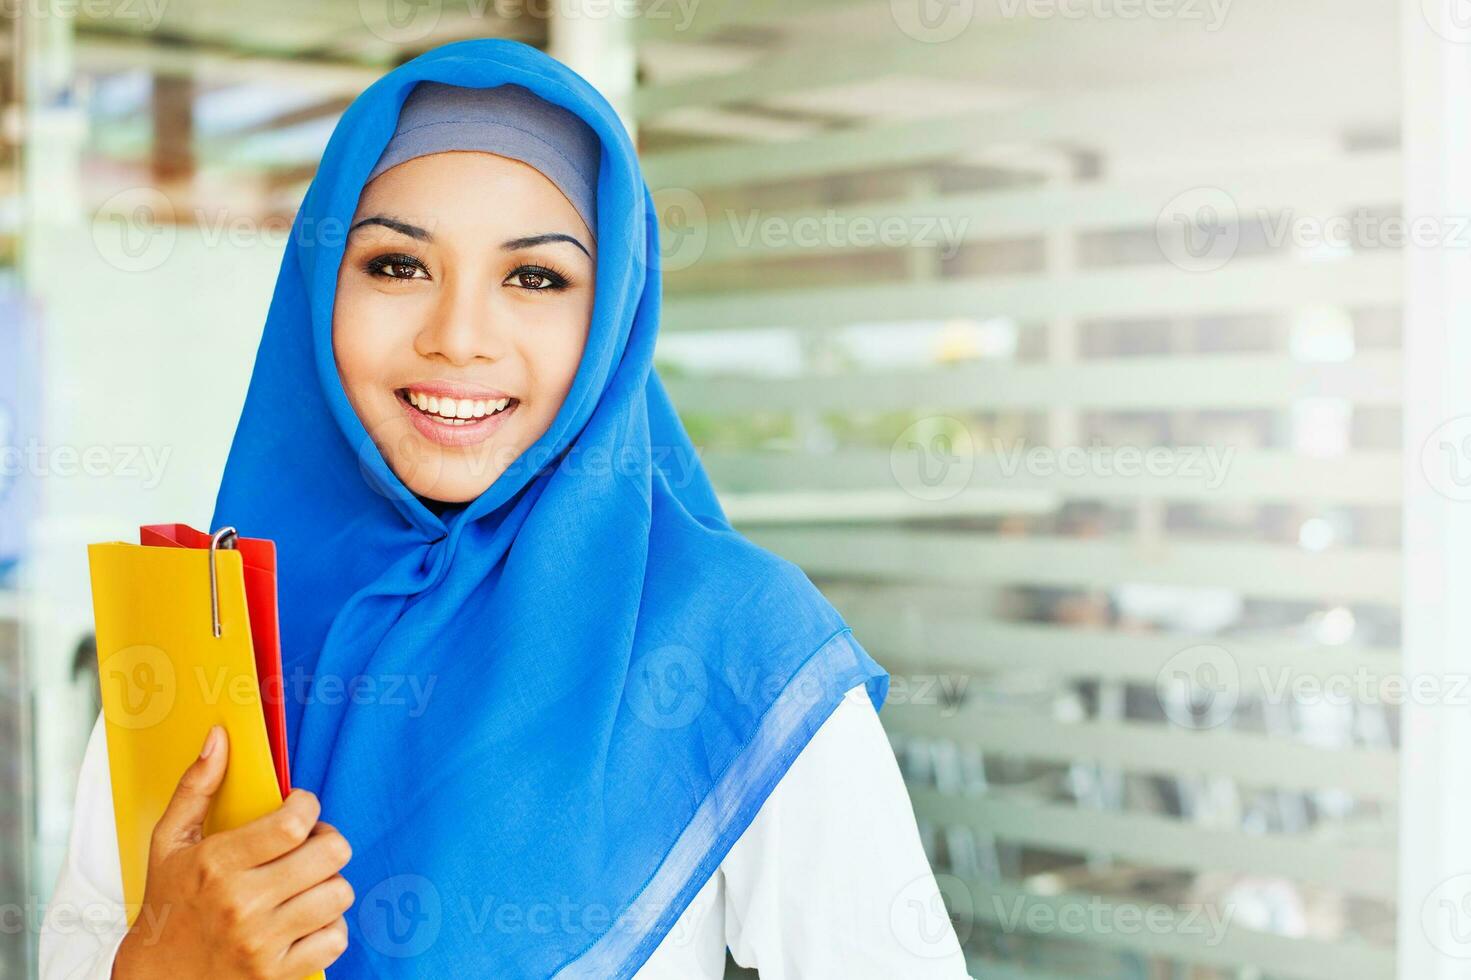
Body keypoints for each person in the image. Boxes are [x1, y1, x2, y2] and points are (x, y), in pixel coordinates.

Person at [38, 38, 972, 979]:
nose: (458, 338)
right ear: (319, 290)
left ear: (610, 316)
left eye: (535, 278)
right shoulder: (202, 636)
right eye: (399, 266)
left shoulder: (731, 635)